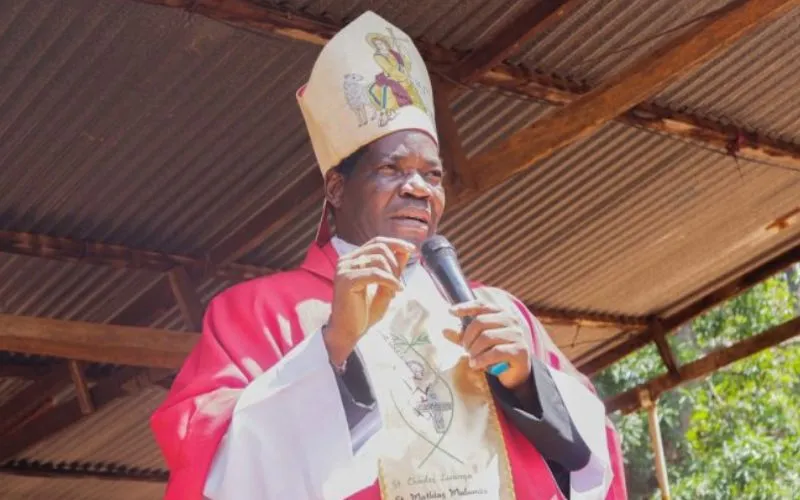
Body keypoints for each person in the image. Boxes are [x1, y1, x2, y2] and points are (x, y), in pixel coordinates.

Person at [150, 11, 627, 500]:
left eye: (433, 175)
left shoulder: (499, 310)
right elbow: (212, 464)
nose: (419, 188)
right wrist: (332, 347)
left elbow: (600, 455)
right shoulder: (256, 312)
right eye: (393, 169)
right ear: (337, 188)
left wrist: (528, 383)